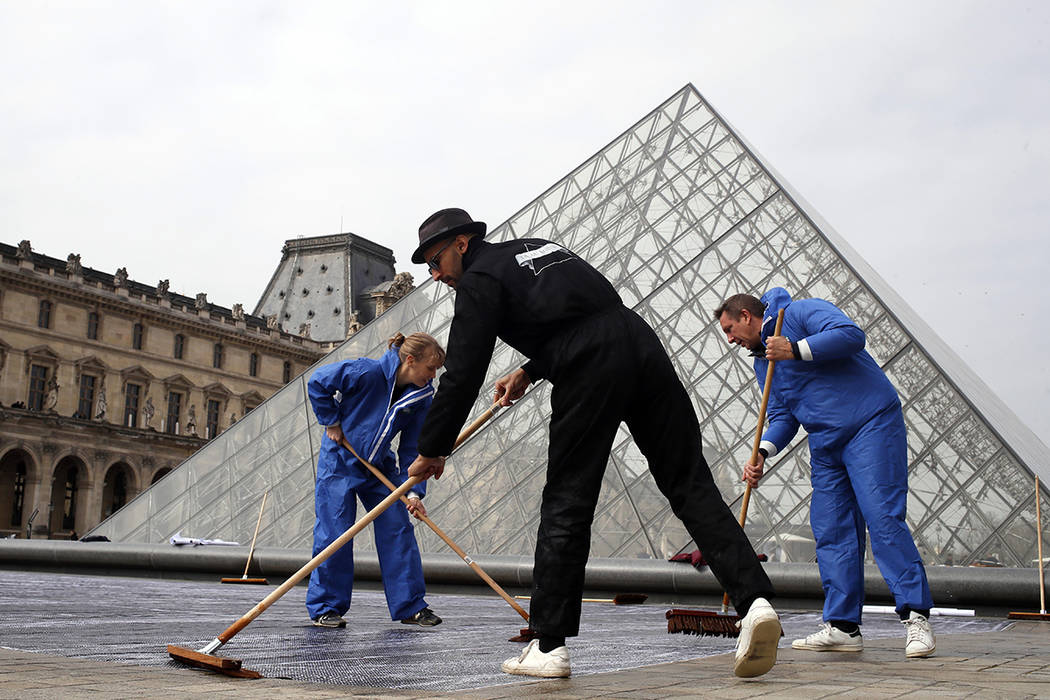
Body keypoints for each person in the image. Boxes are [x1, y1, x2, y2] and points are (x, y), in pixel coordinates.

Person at [406, 208, 781, 679]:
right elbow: (585, 315)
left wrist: (433, 447)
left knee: (568, 498)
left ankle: (549, 644)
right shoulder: (536, 248)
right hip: (638, 343)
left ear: (462, 244)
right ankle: (756, 602)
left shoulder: (478, 279)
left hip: (589, 366)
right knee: (690, 483)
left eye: (435, 260)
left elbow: (463, 373)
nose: (435, 274)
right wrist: (529, 370)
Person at [714, 289, 936, 658]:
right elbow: (783, 416)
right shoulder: (761, 363)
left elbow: (851, 336)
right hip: (826, 442)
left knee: (882, 517)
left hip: (871, 424)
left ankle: (916, 616)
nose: (729, 338)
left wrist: (795, 349)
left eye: (729, 328)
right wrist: (762, 453)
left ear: (747, 317)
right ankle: (843, 626)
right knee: (832, 530)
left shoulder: (799, 313)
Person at [305, 331, 446, 629]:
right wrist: (330, 421)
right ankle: (326, 607)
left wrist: (414, 493)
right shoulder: (365, 371)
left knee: (397, 527)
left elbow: (414, 449)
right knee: (335, 533)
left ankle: (411, 606)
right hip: (341, 461)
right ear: (410, 360)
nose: (434, 374)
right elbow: (317, 381)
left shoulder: (421, 397)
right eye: (431, 368)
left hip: (379, 467)